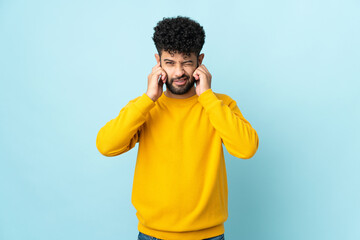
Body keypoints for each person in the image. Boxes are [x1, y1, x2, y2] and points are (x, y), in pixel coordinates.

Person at [96, 16, 259, 240]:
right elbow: (106, 145)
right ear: (158, 61)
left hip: (208, 235)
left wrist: (209, 98)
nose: (179, 72)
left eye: (187, 62)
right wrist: (148, 98)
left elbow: (247, 148)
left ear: (200, 61)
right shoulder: (145, 107)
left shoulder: (220, 105)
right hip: (153, 235)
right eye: (170, 62)